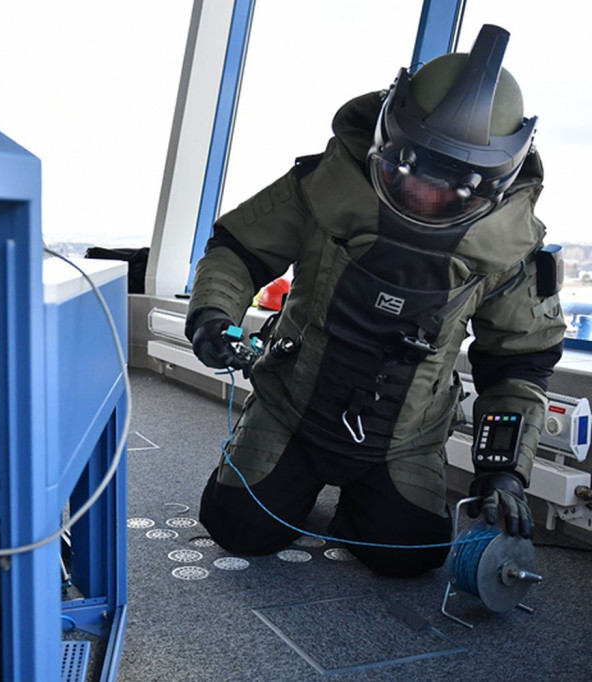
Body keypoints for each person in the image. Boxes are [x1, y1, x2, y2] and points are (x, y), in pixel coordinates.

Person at [184, 24, 565, 577]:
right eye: (414, 174)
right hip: (291, 407)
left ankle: (363, 505)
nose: (426, 196)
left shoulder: (512, 249)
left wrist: (504, 470)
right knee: (238, 529)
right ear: (389, 133)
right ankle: (290, 477)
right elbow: (238, 251)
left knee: (409, 555)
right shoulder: (323, 183)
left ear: (495, 185)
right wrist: (212, 318)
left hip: (406, 436)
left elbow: (519, 364)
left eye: (452, 188)